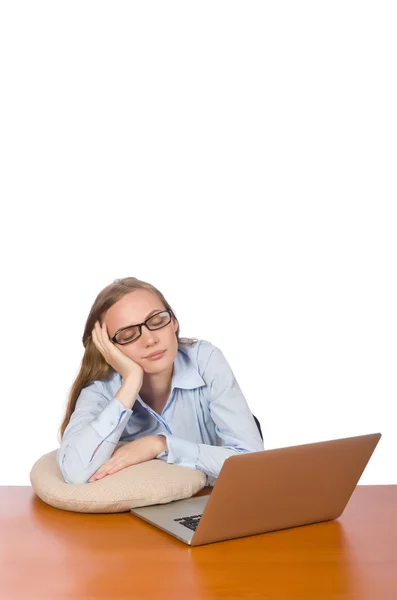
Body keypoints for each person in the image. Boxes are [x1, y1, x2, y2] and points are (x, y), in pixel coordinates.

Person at [57, 277, 264, 485]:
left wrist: (161, 445)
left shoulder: (205, 360)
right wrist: (131, 381)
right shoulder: (100, 389)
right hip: (135, 511)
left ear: (174, 321)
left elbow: (252, 462)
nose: (150, 340)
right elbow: (75, 472)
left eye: (157, 322)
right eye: (128, 335)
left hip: (213, 502)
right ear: (107, 348)